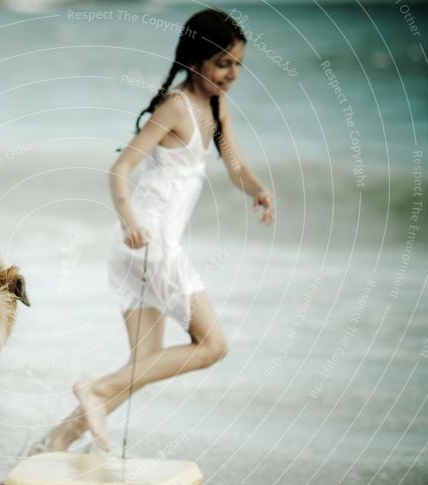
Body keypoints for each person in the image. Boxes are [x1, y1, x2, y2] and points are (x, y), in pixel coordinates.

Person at [34, 8, 274, 453]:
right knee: (213, 345)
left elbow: (236, 166)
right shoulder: (176, 108)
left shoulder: (217, 106)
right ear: (196, 60)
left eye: (239, 63)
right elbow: (121, 166)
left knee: (147, 364)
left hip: (143, 247)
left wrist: (258, 190)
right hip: (149, 241)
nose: (233, 73)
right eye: (224, 63)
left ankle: (56, 440)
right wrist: (129, 220)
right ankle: (94, 389)